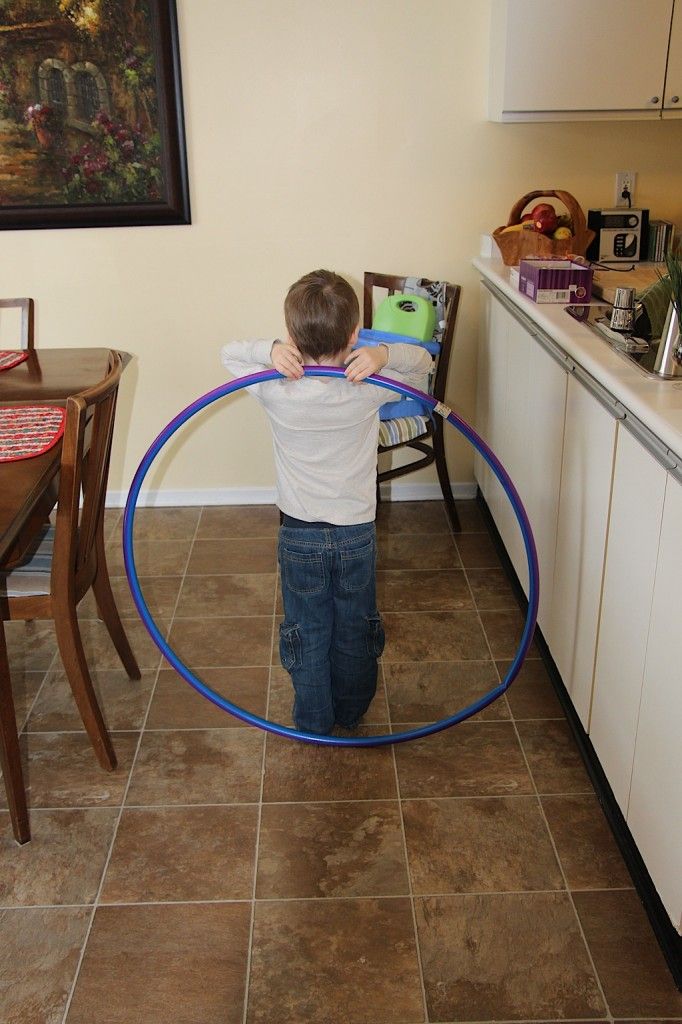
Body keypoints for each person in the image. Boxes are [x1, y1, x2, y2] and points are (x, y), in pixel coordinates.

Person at [220, 269, 432, 735]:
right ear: (354, 332)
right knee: (355, 625)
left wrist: (269, 351)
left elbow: (229, 354)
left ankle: (314, 719)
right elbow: (421, 362)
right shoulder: (372, 383)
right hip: (356, 531)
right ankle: (352, 711)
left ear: (293, 335)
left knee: (308, 628)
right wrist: (381, 354)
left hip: (299, 532)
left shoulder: (273, 385)